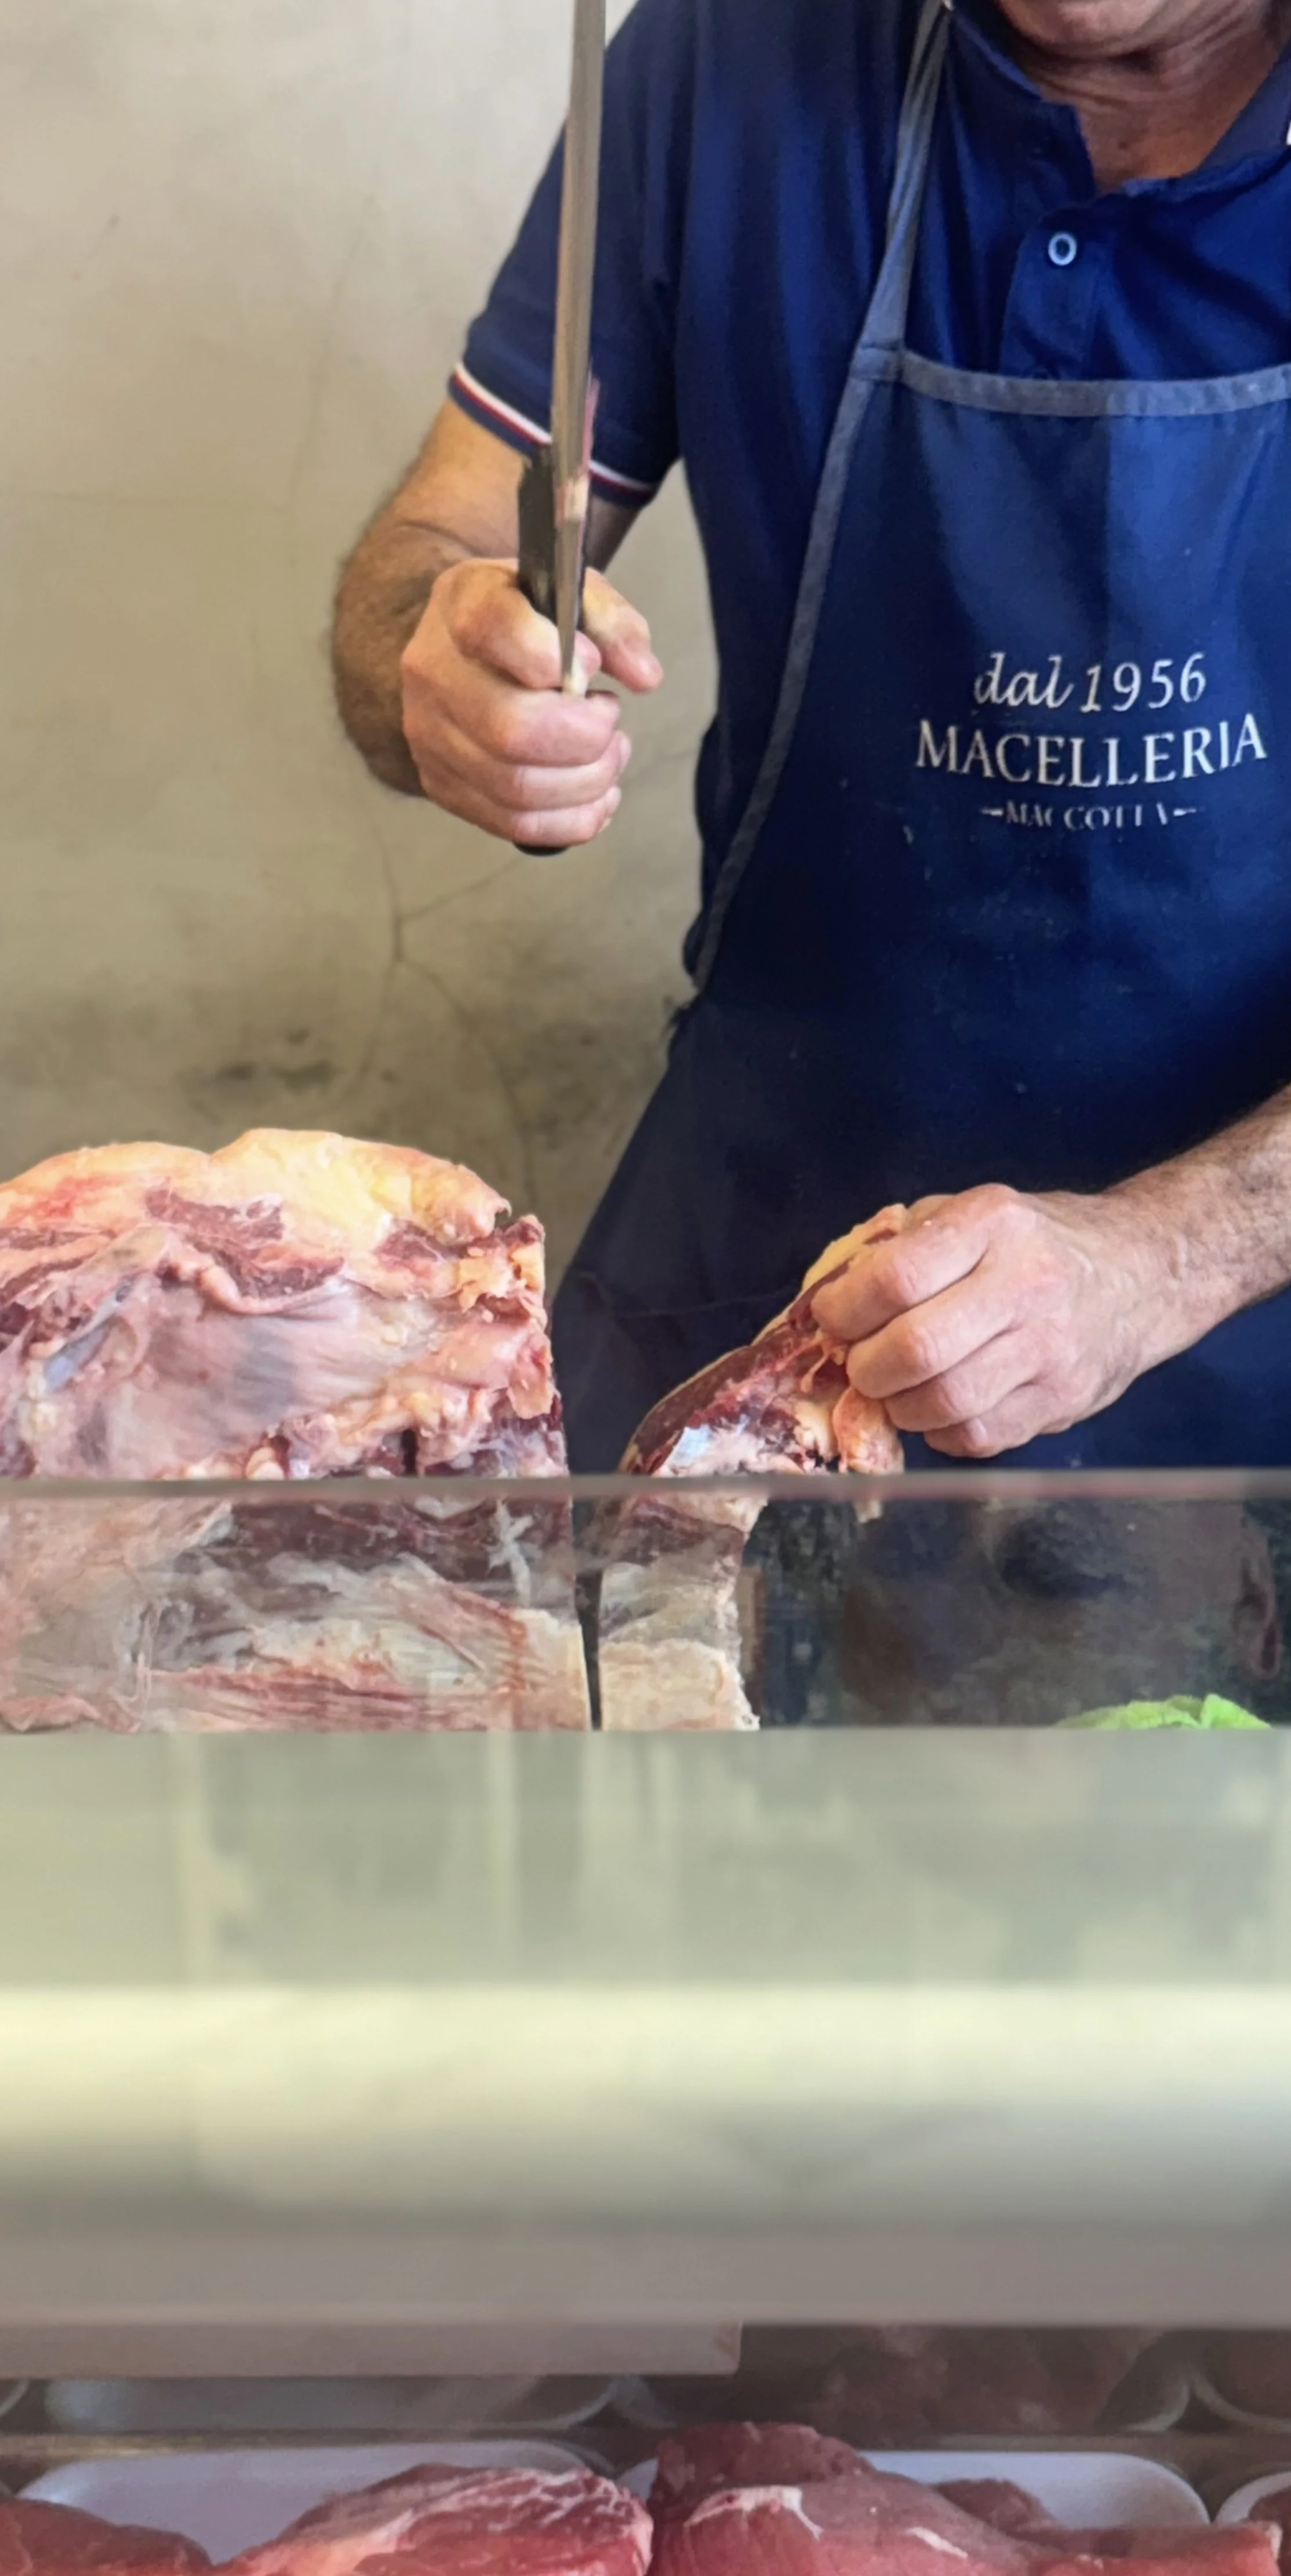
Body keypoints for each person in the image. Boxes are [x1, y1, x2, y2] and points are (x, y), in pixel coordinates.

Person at [333, 0, 1291, 1474]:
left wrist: (1158, 1260)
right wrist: (439, 658)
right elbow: (446, 536)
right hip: (779, 1257)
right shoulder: (720, 61)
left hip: (1252, 1299)